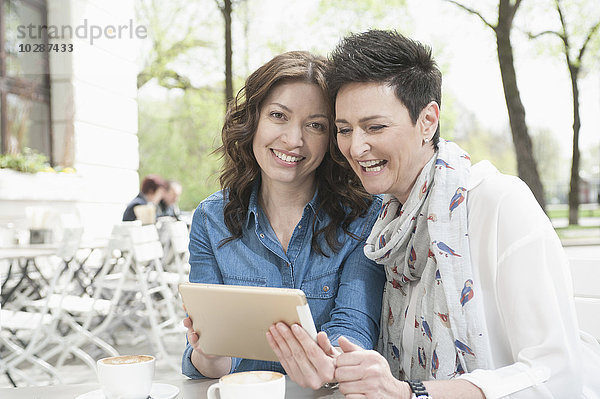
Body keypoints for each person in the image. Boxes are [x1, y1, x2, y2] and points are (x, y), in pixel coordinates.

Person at [268, 30, 600, 398]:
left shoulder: (499, 204)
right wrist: (337, 366)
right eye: (344, 130)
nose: (356, 147)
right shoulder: (385, 229)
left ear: (428, 121)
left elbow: (556, 373)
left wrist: (413, 394)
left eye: (375, 126)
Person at [181, 51, 386, 379]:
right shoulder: (211, 219)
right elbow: (208, 355)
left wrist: (330, 362)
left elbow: (353, 328)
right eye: (278, 116)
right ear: (254, 121)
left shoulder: (365, 218)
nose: (294, 140)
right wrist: (210, 355)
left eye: (315, 125)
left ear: (332, 138)